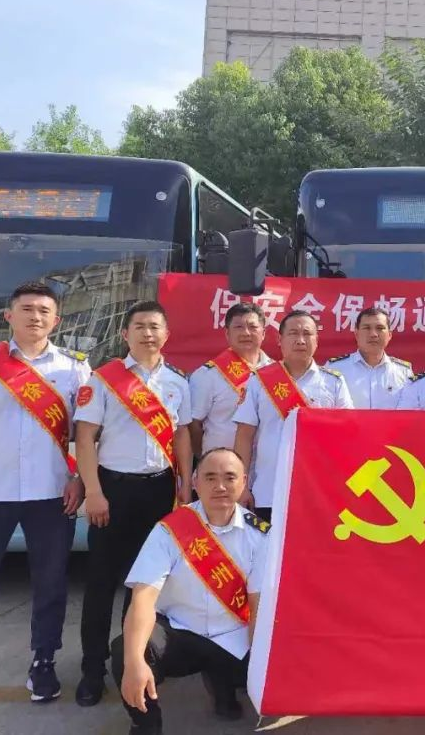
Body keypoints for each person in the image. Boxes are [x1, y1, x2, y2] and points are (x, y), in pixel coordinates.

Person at [0, 282, 91, 719]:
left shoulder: (75, 369)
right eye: (26, 309)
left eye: (44, 310)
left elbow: (88, 432)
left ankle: (43, 662)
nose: (35, 316)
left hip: (52, 494)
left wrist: (80, 480)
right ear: (8, 316)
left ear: (56, 320)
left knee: (50, 585)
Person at [74, 301, 193, 707]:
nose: (147, 333)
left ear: (166, 335)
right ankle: (92, 669)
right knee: (101, 584)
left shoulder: (178, 382)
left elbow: (181, 435)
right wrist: (93, 491)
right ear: (125, 334)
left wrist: (185, 483)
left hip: (159, 490)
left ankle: (131, 662)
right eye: (139, 326)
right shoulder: (104, 380)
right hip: (113, 489)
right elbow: (85, 437)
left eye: (155, 326)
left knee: (145, 584)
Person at [111, 448, 270, 735]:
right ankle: (147, 725)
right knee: (128, 649)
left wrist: (260, 669)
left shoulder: (259, 535)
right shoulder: (169, 530)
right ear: (195, 482)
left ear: (244, 482)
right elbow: (143, 598)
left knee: (272, 666)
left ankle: (223, 685)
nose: (220, 486)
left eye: (229, 477)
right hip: (182, 635)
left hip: (234, 638)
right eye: (210, 478)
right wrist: (134, 663)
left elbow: (258, 605)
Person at [234, 311, 352, 521]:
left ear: (317, 340)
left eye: (307, 334)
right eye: (293, 333)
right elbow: (244, 435)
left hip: (318, 491)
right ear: (280, 340)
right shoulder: (260, 381)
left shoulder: (333, 382)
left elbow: (346, 434)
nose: (300, 340)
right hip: (268, 491)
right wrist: (241, 486)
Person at [188, 303, 272, 455]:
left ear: (263, 333)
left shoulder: (276, 372)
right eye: (239, 327)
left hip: (264, 464)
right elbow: (194, 424)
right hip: (221, 464)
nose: (246, 333)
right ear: (227, 333)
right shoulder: (207, 375)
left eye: (253, 327)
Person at [324, 307, 412, 408]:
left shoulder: (404, 372)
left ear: (389, 335)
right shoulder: (335, 369)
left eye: (380, 328)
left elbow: (409, 413)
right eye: (367, 328)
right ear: (356, 334)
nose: (373, 334)